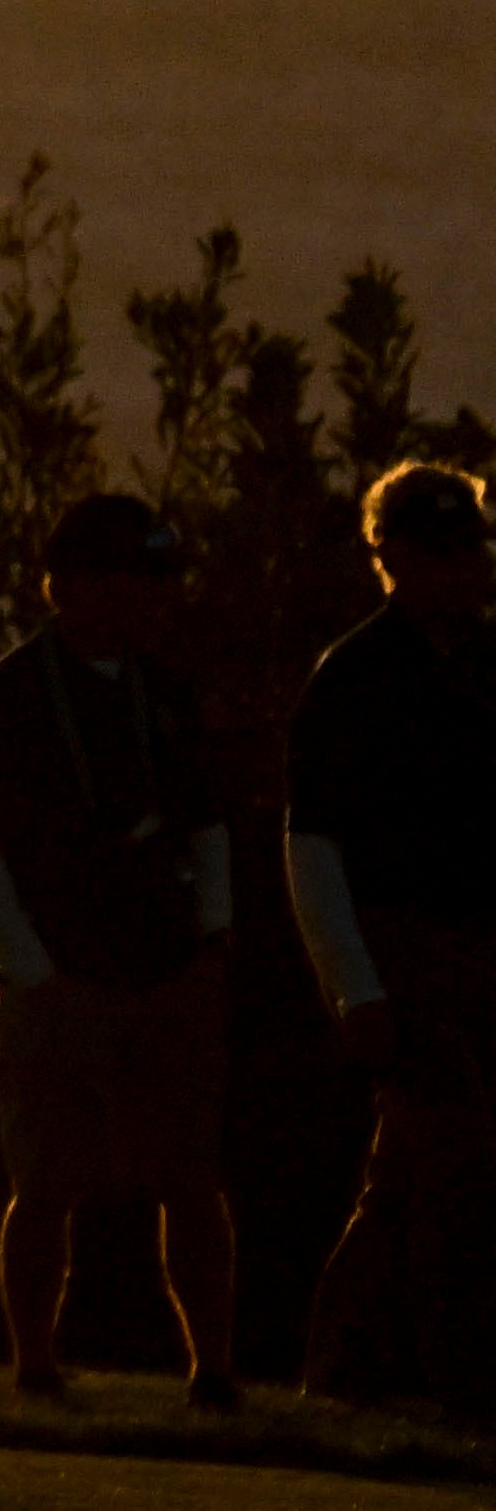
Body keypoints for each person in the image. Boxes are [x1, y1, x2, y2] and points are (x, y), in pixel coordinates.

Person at [0, 491, 234, 1405]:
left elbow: (206, 826)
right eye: (130, 580)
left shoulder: (164, 691)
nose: (148, 599)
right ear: (66, 587)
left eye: (153, 581)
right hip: (59, 978)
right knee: (45, 1183)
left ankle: (211, 1372)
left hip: (161, 972)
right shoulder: (14, 696)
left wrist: (212, 944)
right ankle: (34, 1365)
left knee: (188, 1179)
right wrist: (33, 973)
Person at [285, 457, 496, 1410]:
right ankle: (401, 1379)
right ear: (393, 557)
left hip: (475, 947)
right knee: (435, 1163)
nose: (468, 569)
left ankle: (352, 1381)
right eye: (445, 552)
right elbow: (313, 843)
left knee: (422, 1174)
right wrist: (355, 987)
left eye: (472, 549)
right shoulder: (355, 676)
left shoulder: (485, 661)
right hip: (405, 948)